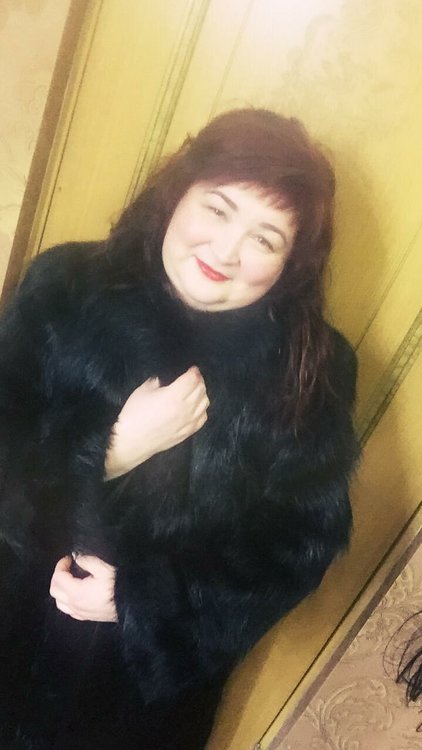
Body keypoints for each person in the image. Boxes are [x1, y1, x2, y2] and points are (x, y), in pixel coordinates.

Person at [0, 108, 360, 749]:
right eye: (218, 209)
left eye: (265, 239)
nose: (226, 251)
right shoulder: (66, 287)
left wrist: (142, 601)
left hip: (133, 705)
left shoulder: (312, 370)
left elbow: (299, 546)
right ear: (177, 194)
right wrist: (110, 449)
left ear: (291, 263)